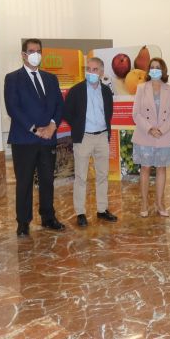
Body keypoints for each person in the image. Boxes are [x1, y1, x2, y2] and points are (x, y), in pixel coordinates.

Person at [4, 38, 65, 236]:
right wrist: (34, 129)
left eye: (38, 51)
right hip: (24, 139)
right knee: (24, 183)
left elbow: (59, 105)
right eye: (31, 51)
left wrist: (53, 126)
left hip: (48, 138)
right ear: (23, 54)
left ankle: (48, 217)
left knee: (47, 180)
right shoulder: (13, 78)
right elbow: (13, 108)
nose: (35, 54)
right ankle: (23, 222)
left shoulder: (51, 78)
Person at [62, 57, 116, 227]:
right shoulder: (76, 90)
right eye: (88, 69)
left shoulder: (106, 91)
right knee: (81, 177)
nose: (91, 72)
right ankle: (80, 212)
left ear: (101, 72)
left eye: (95, 69)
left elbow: (109, 112)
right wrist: (78, 125)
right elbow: (67, 112)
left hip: (102, 136)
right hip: (83, 137)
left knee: (102, 175)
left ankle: (102, 209)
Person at [132, 57, 170, 217]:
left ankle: (160, 203)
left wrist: (161, 130)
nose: (155, 70)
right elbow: (136, 113)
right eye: (152, 67)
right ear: (148, 70)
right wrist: (150, 128)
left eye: (158, 67)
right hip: (145, 134)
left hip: (163, 136)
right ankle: (144, 203)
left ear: (163, 70)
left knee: (161, 168)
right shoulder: (141, 88)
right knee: (145, 168)